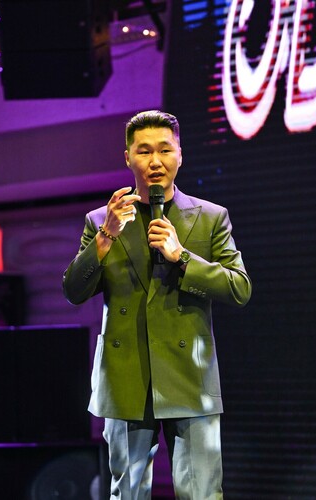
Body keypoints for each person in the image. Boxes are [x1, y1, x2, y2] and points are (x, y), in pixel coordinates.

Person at [63, 110, 252, 499]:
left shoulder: (210, 217)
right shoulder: (101, 221)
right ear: (127, 157)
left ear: (180, 155)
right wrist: (105, 237)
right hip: (125, 377)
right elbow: (74, 290)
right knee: (127, 493)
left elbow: (239, 288)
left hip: (191, 377)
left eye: (165, 150)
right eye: (144, 151)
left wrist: (182, 256)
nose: (155, 161)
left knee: (202, 492)